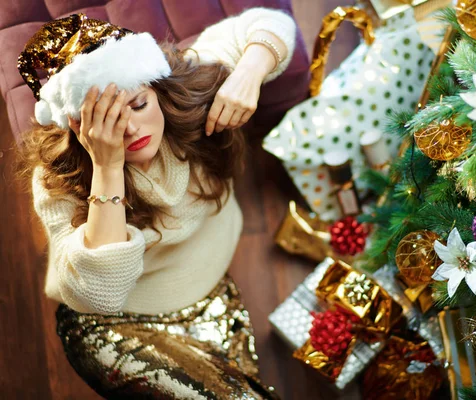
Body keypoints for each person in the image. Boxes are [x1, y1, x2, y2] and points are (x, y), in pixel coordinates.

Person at [16, 8, 296, 399]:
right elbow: (99, 294)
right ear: (78, 126)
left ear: (155, 88)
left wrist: (248, 73)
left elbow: (271, 23)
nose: (130, 130)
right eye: (108, 120)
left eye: (138, 105)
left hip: (209, 291)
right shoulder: (57, 177)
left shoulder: (185, 85)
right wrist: (107, 165)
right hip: (114, 324)